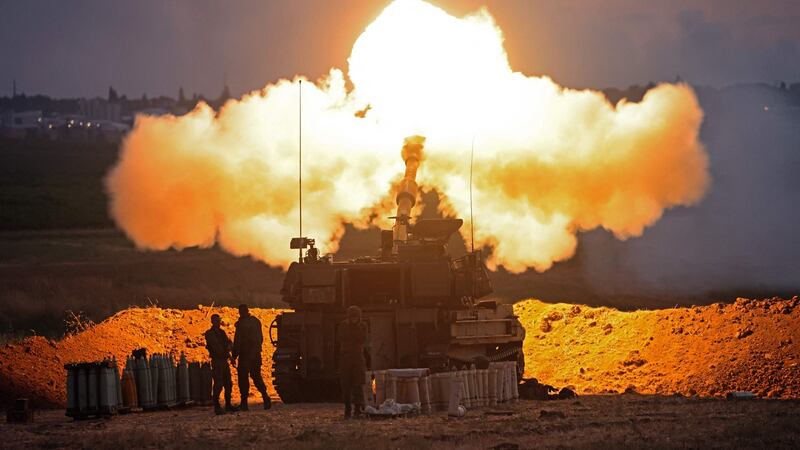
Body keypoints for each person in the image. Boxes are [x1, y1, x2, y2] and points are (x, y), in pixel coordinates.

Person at [232, 304, 271, 411]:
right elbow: (261, 338)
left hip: (245, 355)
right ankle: (265, 396)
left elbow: (237, 342)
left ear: (240, 312)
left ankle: (244, 403)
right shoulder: (256, 321)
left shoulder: (241, 324)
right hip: (256, 354)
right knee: (256, 376)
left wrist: (234, 356)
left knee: (243, 378)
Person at [337, 305, 369, 419]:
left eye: (356, 317)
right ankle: (347, 409)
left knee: (358, 384)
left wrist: (353, 331)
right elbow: (341, 337)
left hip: (357, 357)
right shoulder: (343, 325)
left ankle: (358, 409)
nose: (354, 319)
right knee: (346, 385)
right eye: (352, 317)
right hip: (346, 357)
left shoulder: (362, 326)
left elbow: (362, 338)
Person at [204, 314, 238, 414]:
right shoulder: (209, 333)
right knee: (218, 384)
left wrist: (230, 355)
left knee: (228, 383)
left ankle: (228, 405)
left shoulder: (222, 332)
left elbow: (228, 343)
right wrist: (227, 351)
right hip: (217, 361)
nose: (218, 323)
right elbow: (217, 348)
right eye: (216, 321)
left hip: (224, 361)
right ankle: (217, 406)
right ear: (212, 322)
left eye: (219, 321)